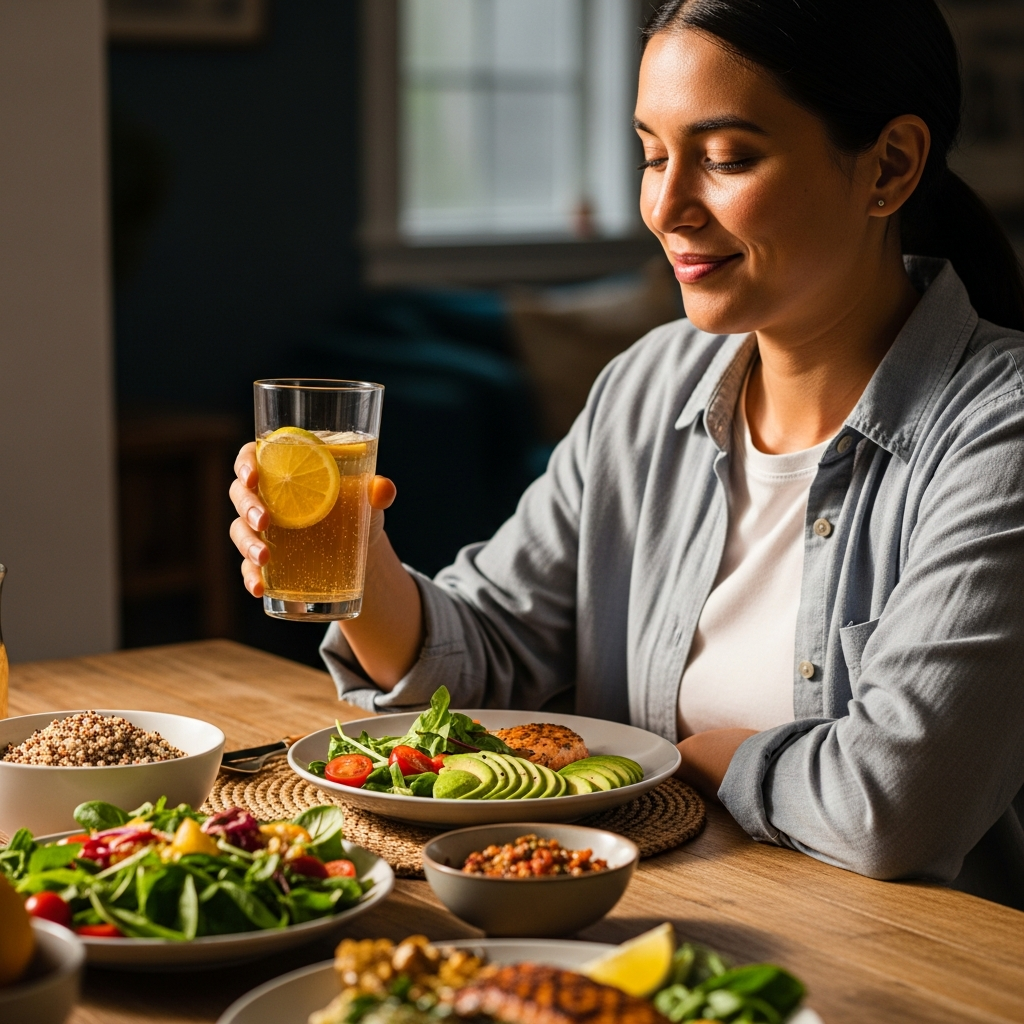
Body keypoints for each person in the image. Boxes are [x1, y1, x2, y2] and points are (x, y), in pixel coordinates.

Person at [230, 0, 1024, 908]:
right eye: (652, 154)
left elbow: (896, 804)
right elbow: (495, 654)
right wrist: (367, 572)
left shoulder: (999, 429)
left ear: (889, 166)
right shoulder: (647, 384)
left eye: (727, 159)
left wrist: (707, 759)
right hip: (656, 924)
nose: (667, 206)